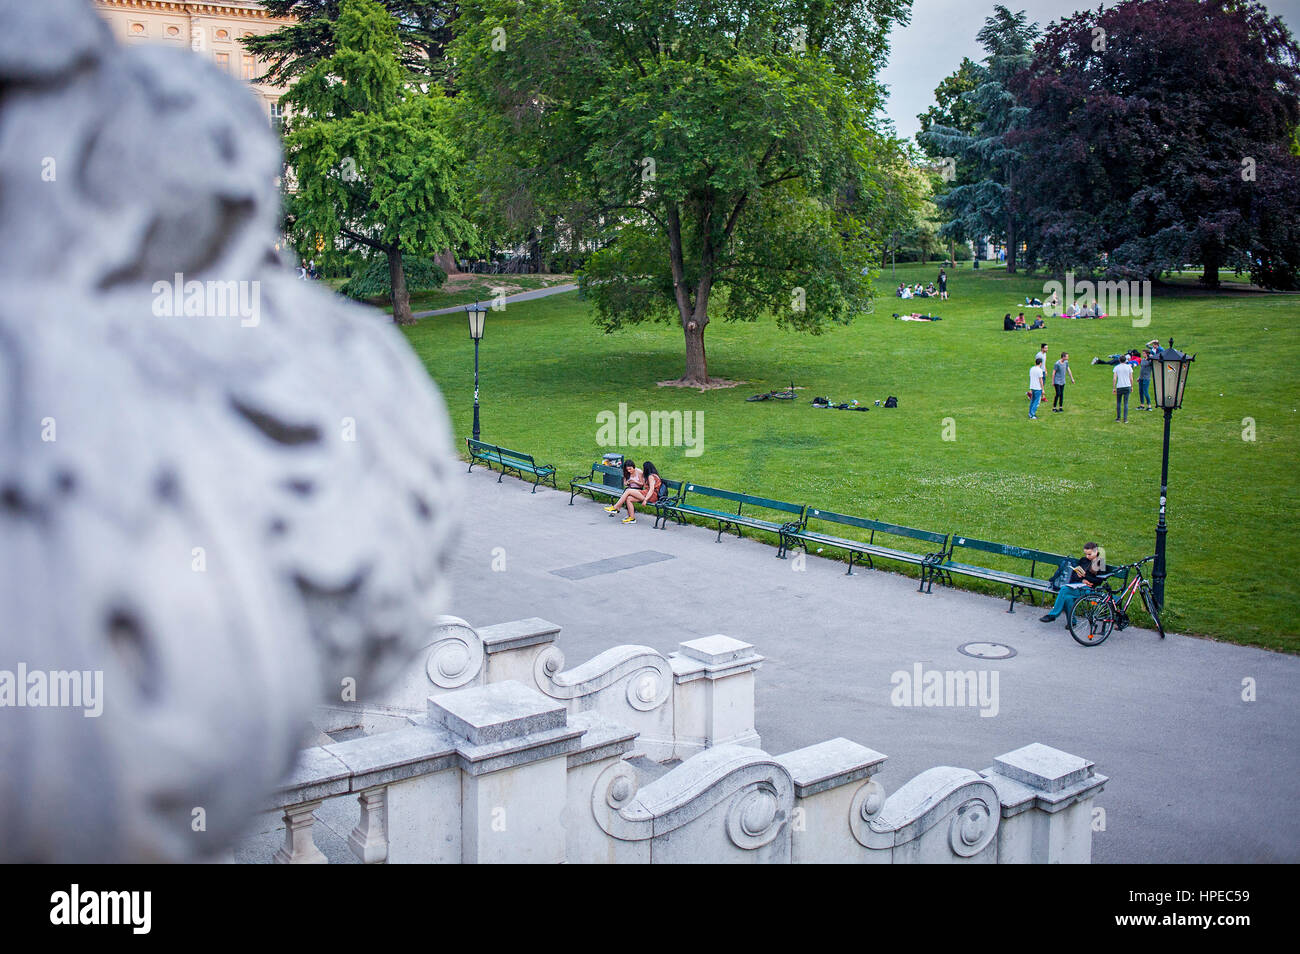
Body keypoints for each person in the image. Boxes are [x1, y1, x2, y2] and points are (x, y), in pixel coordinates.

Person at [1040, 542, 1107, 622]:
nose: (1087, 556)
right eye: (1086, 554)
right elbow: (1074, 576)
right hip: (1078, 585)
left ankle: (1053, 615)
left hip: (1090, 589)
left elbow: (1099, 581)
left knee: (1064, 589)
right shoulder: (1083, 560)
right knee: (1067, 598)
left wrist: (1085, 577)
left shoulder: (1101, 563)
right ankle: (1072, 622)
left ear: (1096, 552)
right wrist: (1082, 579)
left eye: (1089, 554)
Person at [1113, 355, 1134, 422]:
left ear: (1119, 360)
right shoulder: (1129, 367)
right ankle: (1125, 419)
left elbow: (1114, 378)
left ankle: (1118, 418)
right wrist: (1132, 386)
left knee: (1118, 402)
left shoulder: (1116, 367)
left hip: (1119, 386)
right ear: (1125, 360)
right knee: (1126, 403)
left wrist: (1114, 388)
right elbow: (1131, 378)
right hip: (1127, 386)